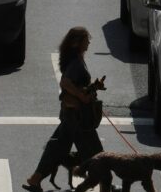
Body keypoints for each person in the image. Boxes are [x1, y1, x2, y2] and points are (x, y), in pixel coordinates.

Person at [23, 27, 105, 192]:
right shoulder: (75, 62)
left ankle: (35, 179)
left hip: (71, 116)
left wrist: (93, 87)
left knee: (56, 149)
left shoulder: (77, 58)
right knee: (96, 151)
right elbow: (66, 83)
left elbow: (75, 85)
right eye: (86, 39)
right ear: (76, 43)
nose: (89, 42)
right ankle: (106, 186)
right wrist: (82, 97)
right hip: (77, 117)